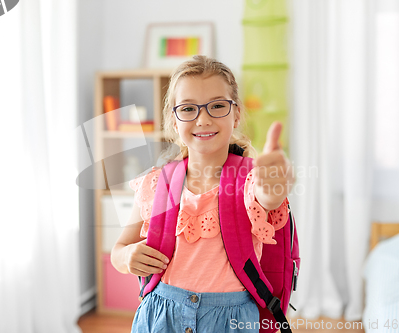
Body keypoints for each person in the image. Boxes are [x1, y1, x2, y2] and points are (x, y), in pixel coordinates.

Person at [111, 55, 295, 333]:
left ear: (236, 114)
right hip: (160, 317)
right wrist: (127, 258)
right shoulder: (155, 183)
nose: (203, 119)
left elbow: (267, 196)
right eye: (188, 109)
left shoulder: (251, 182)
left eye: (218, 106)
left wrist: (274, 186)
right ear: (174, 120)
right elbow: (118, 250)